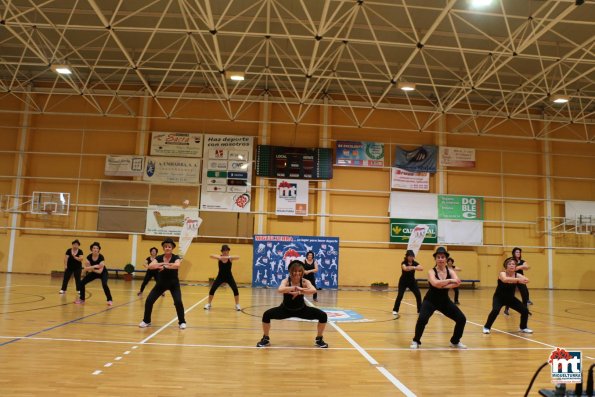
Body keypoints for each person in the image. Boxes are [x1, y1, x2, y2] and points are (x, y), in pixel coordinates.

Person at [256, 260, 328, 348]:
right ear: (291, 271)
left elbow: (313, 290)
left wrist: (300, 292)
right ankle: (265, 338)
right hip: (285, 309)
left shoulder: (305, 282)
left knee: (323, 316)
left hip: (302, 310)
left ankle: (319, 339)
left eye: (299, 271)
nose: (297, 273)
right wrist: (294, 287)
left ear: (302, 272)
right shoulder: (286, 281)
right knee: (266, 315)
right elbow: (280, 289)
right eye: (295, 271)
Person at [410, 247, 467, 349]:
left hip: (444, 301)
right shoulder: (431, 271)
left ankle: (455, 341)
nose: (440, 259)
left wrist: (442, 285)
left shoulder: (450, 271)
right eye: (438, 257)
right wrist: (450, 281)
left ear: (446, 259)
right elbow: (435, 283)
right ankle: (416, 341)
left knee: (461, 319)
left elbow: (457, 282)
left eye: (442, 257)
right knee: (422, 319)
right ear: (435, 259)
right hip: (430, 301)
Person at [139, 238, 187, 329]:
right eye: (165, 246)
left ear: (172, 248)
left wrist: (164, 267)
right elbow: (150, 266)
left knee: (178, 302)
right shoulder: (159, 257)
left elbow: (177, 265)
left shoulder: (176, 257)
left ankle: (182, 322)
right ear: (163, 248)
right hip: (161, 283)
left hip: (174, 284)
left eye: (169, 247)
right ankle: (146, 321)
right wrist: (163, 263)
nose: (167, 248)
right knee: (149, 301)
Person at [483, 257, 533, 334]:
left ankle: (523, 327)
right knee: (495, 310)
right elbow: (505, 279)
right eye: (509, 264)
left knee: (525, 310)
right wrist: (518, 280)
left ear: (515, 266)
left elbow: (527, 280)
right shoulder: (502, 273)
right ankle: (486, 327)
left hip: (510, 299)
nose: (511, 265)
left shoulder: (517, 275)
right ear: (506, 266)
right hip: (499, 298)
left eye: (513, 264)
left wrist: (523, 279)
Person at [204, 245, 241, 311]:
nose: (225, 252)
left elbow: (238, 257)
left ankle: (237, 305)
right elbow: (211, 255)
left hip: (229, 277)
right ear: (222, 251)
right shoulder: (219, 258)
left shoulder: (230, 258)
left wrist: (228, 257)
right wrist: (220, 257)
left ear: (228, 251)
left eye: (227, 250)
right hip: (220, 277)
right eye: (224, 251)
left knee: (235, 289)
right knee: (212, 289)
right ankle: (209, 304)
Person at [392, 249, 423, 318]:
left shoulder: (415, 263)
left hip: (412, 282)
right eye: (409, 256)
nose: (411, 257)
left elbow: (421, 268)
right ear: (407, 257)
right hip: (403, 281)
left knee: (418, 294)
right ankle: (395, 310)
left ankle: (419, 310)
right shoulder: (404, 262)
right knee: (400, 295)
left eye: (412, 256)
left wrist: (413, 267)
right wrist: (414, 268)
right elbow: (405, 268)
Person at [504, 247, 531, 315]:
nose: (518, 253)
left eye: (519, 252)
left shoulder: (522, 261)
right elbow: (509, 268)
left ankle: (525, 310)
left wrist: (519, 267)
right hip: (512, 278)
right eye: (517, 252)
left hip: (520, 279)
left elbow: (527, 267)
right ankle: (506, 309)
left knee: (524, 294)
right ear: (513, 253)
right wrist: (521, 266)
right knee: (510, 295)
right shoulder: (510, 260)